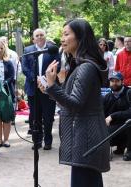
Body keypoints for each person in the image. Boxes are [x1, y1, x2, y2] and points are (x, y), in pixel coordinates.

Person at [40, 19, 110, 187]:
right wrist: (50, 89)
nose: (62, 39)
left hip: (85, 138)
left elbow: (76, 104)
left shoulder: (85, 68)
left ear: (81, 37)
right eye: (61, 35)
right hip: (86, 137)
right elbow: (75, 100)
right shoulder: (81, 65)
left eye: (66, 34)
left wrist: (52, 86)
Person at [21, 28, 60, 150]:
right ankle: (37, 141)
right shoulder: (28, 50)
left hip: (48, 87)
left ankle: (48, 141)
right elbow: (25, 67)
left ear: (45, 36)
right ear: (33, 38)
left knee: (48, 116)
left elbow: (57, 65)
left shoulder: (52, 49)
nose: (39, 37)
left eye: (41, 35)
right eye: (36, 35)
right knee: (35, 116)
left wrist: (45, 78)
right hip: (33, 88)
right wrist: (35, 78)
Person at [0, 40, 15, 148]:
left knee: (6, 116)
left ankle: (6, 139)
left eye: (1, 48)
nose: (0, 50)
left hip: (6, 92)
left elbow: (12, 76)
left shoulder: (8, 62)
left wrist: (5, 83)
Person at [104, 71, 131, 161]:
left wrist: (113, 116)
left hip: (127, 126)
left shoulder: (129, 93)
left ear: (122, 82)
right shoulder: (107, 97)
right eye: (112, 81)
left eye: (117, 81)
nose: (114, 83)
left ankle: (129, 151)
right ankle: (120, 148)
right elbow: (102, 114)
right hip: (115, 127)